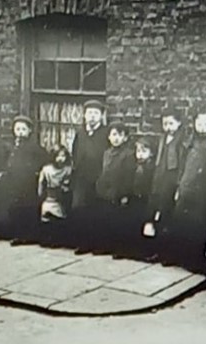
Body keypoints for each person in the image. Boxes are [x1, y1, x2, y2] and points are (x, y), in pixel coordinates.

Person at [171, 111, 206, 271]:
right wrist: (179, 185)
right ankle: (183, 256)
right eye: (200, 124)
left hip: (203, 191)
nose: (203, 127)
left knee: (199, 225)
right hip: (187, 188)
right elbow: (182, 167)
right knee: (184, 223)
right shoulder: (189, 143)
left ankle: (197, 261)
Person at [0, 115, 48, 245]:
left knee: (28, 207)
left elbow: (43, 161)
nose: (20, 132)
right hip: (15, 180)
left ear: (29, 131)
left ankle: (29, 235)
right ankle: (18, 233)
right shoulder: (14, 146)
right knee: (16, 207)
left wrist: (35, 172)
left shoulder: (34, 147)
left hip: (28, 182)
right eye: (18, 129)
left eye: (23, 129)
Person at [69, 99, 109, 252]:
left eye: (96, 113)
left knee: (96, 210)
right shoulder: (80, 132)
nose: (92, 117)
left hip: (98, 176)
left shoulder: (105, 133)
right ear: (84, 115)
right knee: (80, 208)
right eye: (89, 113)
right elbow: (75, 151)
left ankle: (97, 244)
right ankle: (83, 242)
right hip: (81, 177)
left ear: (101, 116)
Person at [144, 109, 188, 243]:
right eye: (165, 124)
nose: (168, 127)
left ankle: (166, 245)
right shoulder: (162, 139)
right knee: (155, 209)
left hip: (172, 178)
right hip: (160, 176)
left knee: (167, 211)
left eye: (171, 123)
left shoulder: (182, 141)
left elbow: (181, 162)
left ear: (179, 123)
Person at [95, 122, 137, 256]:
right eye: (113, 135)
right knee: (105, 219)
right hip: (105, 191)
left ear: (125, 138)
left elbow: (129, 175)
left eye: (120, 135)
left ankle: (119, 248)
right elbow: (104, 171)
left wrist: (124, 193)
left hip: (119, 191)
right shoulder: (107, 153)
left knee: (118, 221)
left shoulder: (128, 154)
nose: (116, 138)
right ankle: (105, 245)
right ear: (108, 137)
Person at [38, 144, 73, 248]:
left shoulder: (68, 169)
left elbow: (68, 184)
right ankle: (47, 238)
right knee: (46, 216)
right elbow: (41, 184)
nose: (60, 159)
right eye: (58, 156)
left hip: (61, 196)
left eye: (63, 156)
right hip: (49, 196)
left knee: (59, 216)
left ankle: (57, 239)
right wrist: (41, 195)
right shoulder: (46, 169)